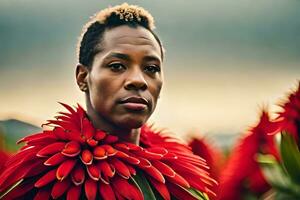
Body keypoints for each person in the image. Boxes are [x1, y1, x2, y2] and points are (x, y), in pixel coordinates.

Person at [0, 3, 216, 200]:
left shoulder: (183, 183)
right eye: (116, 66)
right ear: (83, 78)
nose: (137, 81)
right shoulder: (39, 179)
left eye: (151, 68)